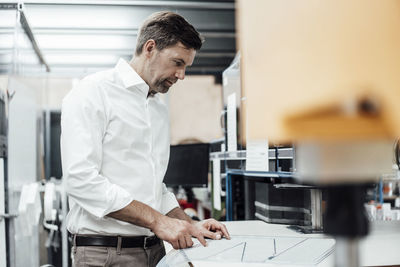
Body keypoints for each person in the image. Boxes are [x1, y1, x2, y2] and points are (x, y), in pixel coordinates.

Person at [61, 11, 230, 267]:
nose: (182, 75)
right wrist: (159, 222)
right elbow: (80, 180)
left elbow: (154, 188)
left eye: (186, 66)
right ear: (150, 48)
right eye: (177, 62)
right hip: (105, 255)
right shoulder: (93, 92)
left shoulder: (157, 108)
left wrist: (188, 225)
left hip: (153, 252)